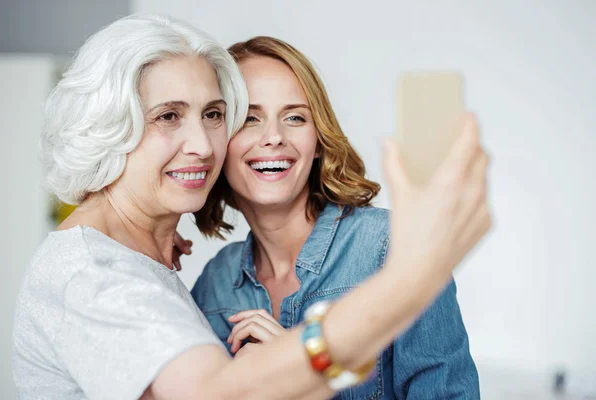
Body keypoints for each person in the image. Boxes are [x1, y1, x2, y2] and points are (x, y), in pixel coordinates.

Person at [12, 14, 491, 400]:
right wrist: (407, 283)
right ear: (107, 125)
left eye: (215, 115)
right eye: (168, 116)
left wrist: (151, 245)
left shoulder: (149, 267)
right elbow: (215, 393)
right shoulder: (106, 274)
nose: (200, 143)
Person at [189, 37, 482, 399]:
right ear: (218, 140)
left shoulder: (389, 245)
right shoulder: (215, 285)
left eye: (295, 117)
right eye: (250, 118)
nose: (274, 137)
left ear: (317, 141)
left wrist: (302, 374)